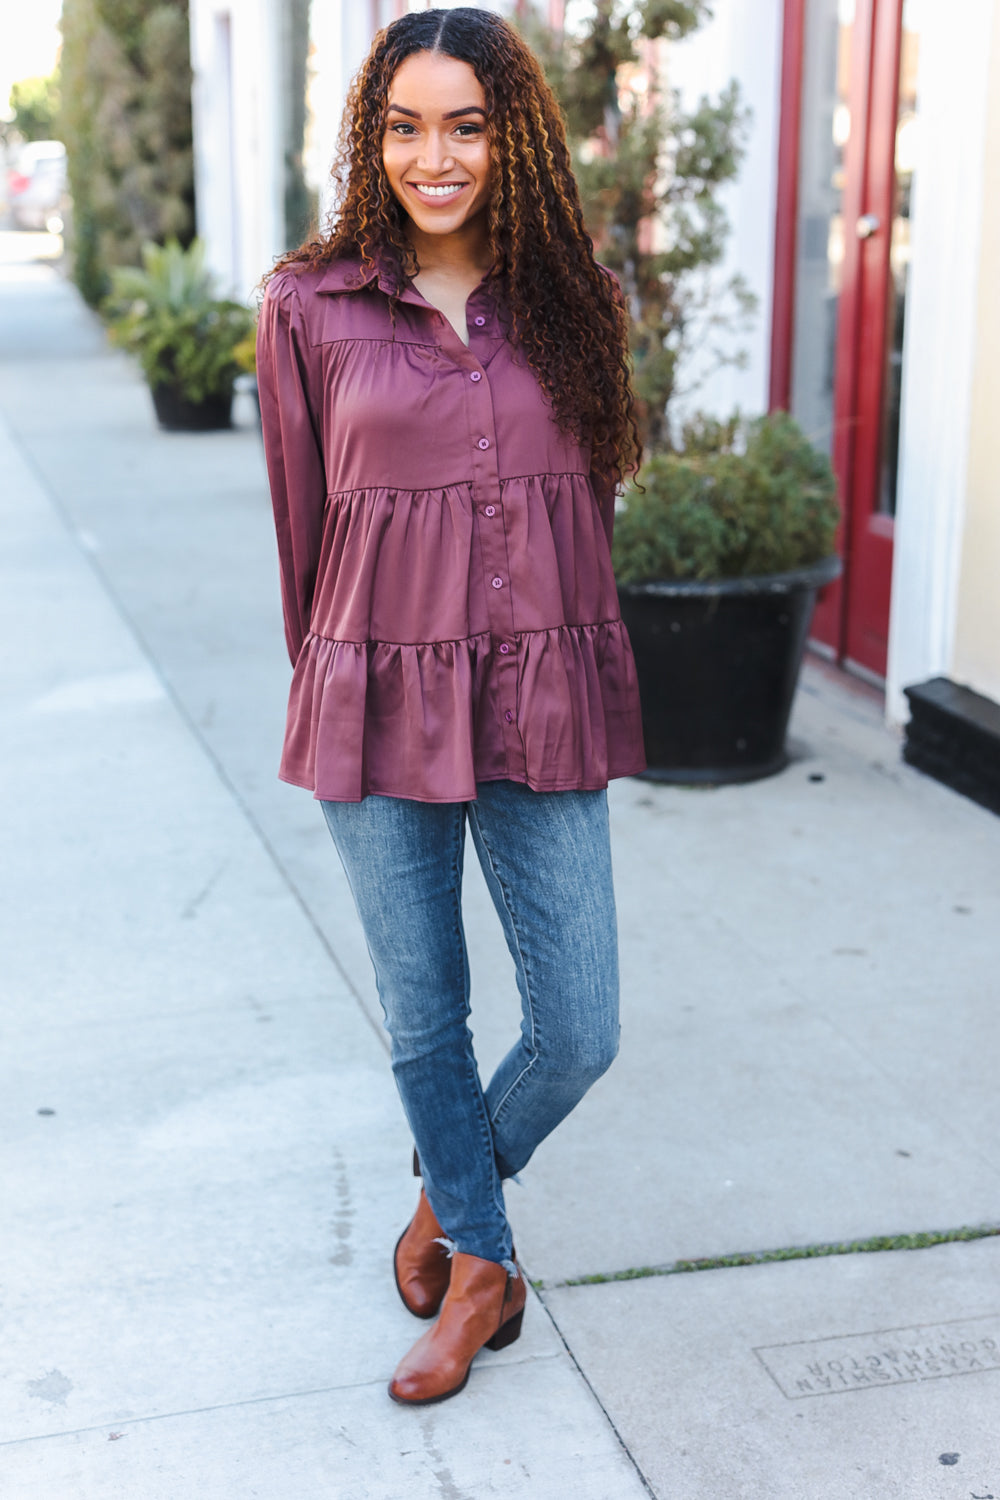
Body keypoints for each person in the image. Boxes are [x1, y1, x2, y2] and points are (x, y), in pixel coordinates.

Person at [256, 6, 645, 1407]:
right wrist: (328, 687)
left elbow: (584, 517)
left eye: (467, 126)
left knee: (583, 1023)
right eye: (407, 126)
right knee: (427, 1015)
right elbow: (303, 529)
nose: (436, 157)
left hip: (541, 692)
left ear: (513, 138)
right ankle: (481, 1265)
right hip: (372, 695)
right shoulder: (310, 307)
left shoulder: (578, 303)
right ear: (374, 139)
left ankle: (444, 1202)